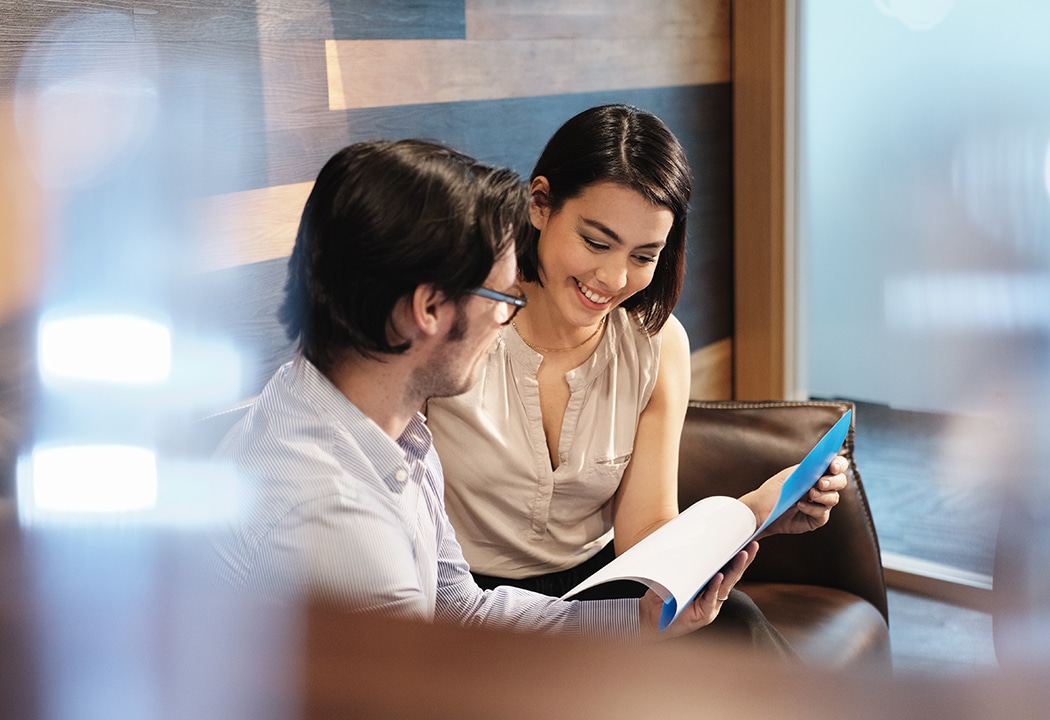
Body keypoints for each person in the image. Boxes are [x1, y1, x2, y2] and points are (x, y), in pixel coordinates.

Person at [212, 139, 754, 640]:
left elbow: (460, 607)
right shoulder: (336, 517)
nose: (505, 316)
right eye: (500, 294)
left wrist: (638, 621)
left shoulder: (392, 434)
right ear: (427, 309)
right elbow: (414, 719)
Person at [425, 105, 848, 653]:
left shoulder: (656, 343)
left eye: (644, 256)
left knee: (734, 625)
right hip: (477, 601)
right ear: (540, 204)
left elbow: (645, 535)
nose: (614, 279)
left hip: (601, 584)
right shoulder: (464, 325)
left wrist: (761, 510)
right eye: (597, 242)